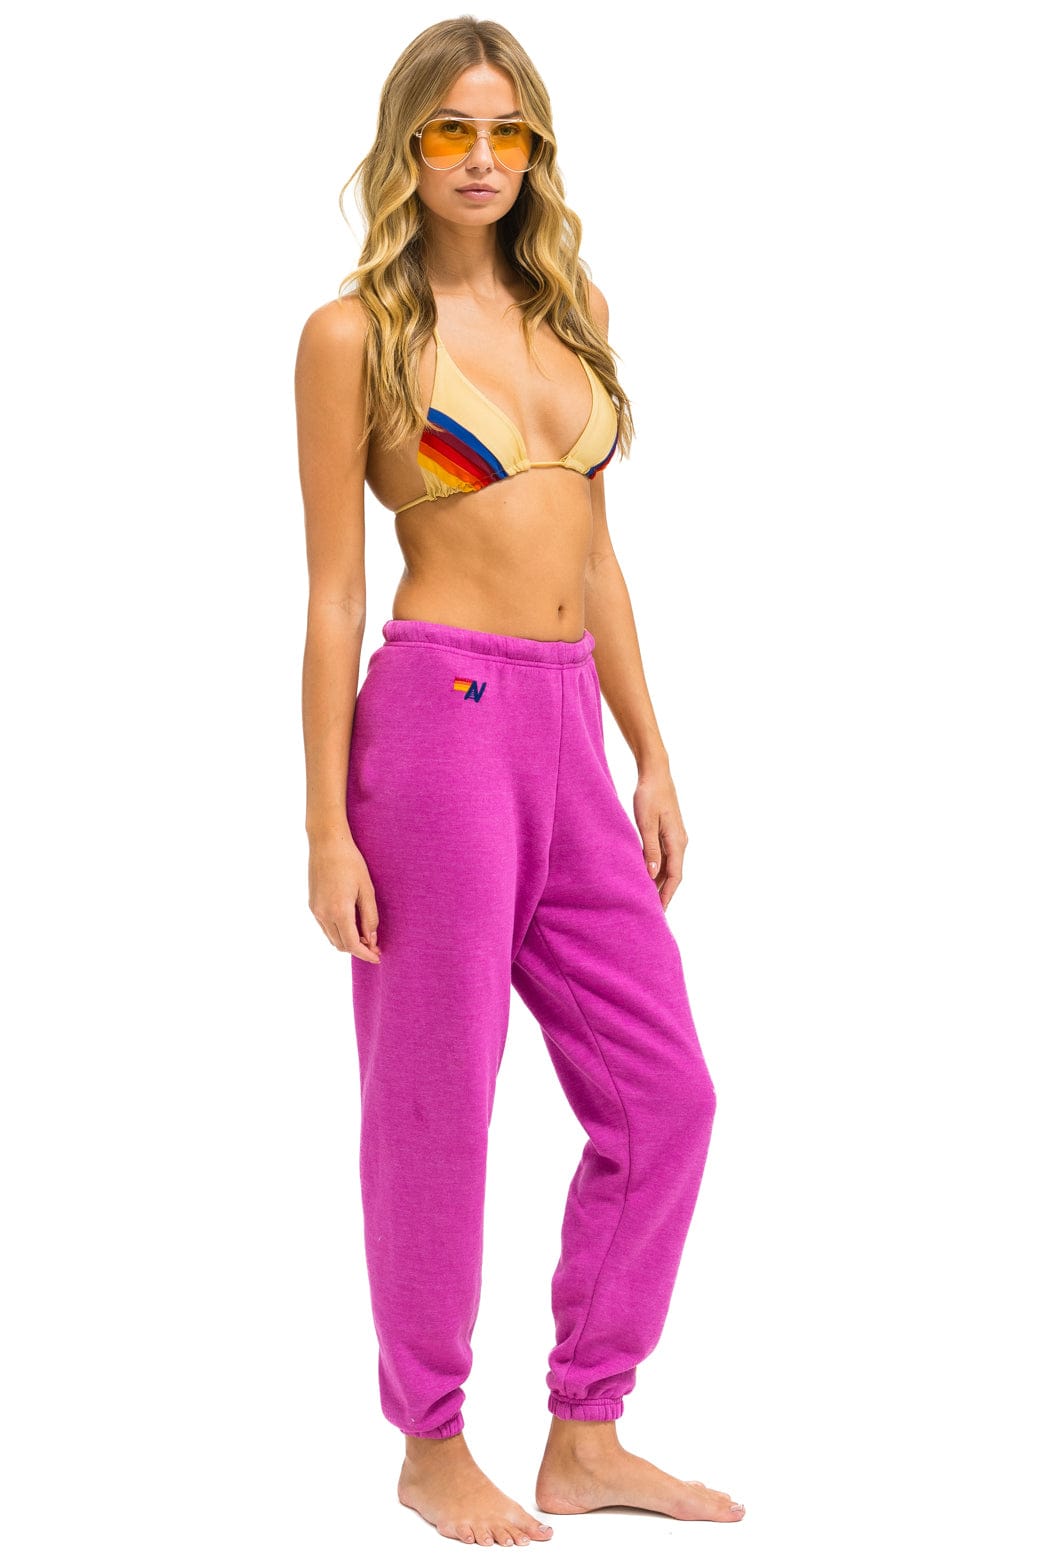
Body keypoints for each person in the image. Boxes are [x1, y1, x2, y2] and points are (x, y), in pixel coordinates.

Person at [294, 14, 744, 1548]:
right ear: (407, 147)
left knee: (664, 1094)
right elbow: (335, 595)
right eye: (450, 132)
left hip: (566, 731)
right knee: (439, 1100)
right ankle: (430, 1445)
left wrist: (650, 748)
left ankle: (585, 1430)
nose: (480, 159)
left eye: (507, 133)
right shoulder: (354, 336)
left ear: (536, 150)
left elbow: (597, 558)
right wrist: (322, 824)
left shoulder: (575, 308)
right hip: (438, 725)